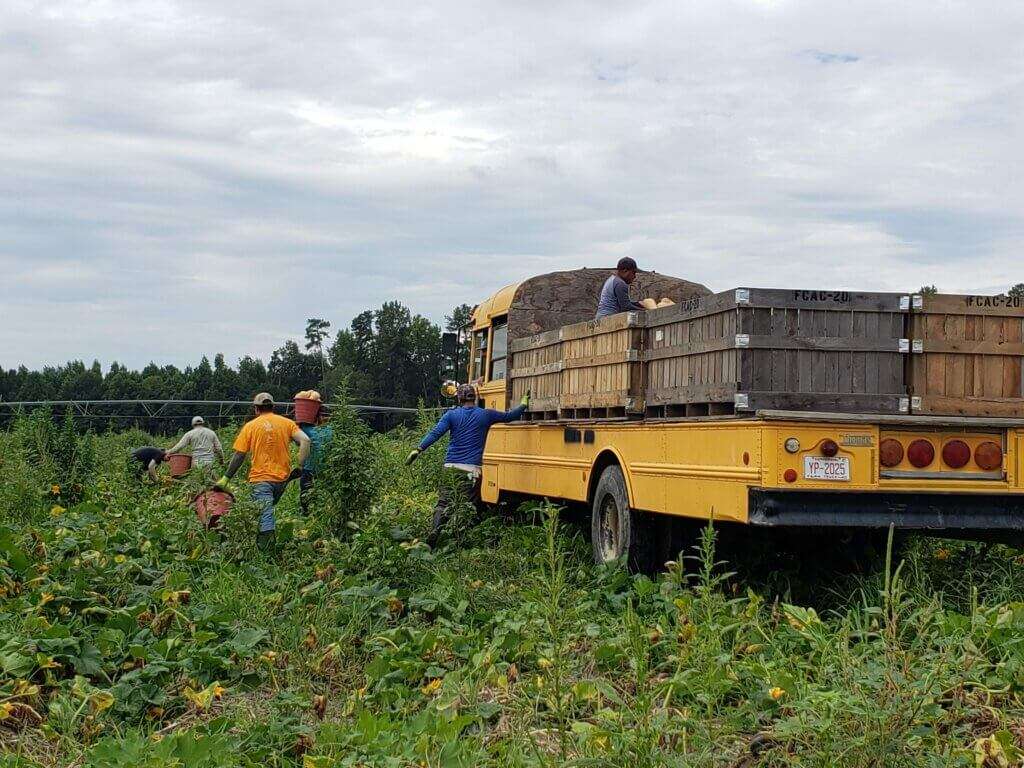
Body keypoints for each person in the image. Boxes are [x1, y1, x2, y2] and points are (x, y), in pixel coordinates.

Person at [407, 384, 530, 546]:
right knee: (469, 506)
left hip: (450, 467)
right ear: (475, 397)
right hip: (472, 470)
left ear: (459, 398)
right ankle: (460, 542)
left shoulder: (451, 415)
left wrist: (419, 449)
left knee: (443, 503)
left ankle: (434, 533)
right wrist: (523, 404)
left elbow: (435, 433)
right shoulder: (486, 415)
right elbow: (510, 416)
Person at [217, 393, 310, 552]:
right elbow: (306, 440)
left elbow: (240, 455)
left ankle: (267, 555)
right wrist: (301, 466)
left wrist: (225, 478)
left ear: (256, 409)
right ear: (273, 407)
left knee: (265, 514)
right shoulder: (287, 423)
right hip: (282, 480)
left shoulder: (250, 426)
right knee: (263, 510)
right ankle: (260, 537)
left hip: (261, 480)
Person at [298, 409, 333, 514]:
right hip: (326, 468)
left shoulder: (309, 430)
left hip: (309, 468)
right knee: (324, 492)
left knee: (305, 491)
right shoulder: (332, 430)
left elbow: (298, 428)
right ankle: (322, 511)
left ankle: (306, 513)